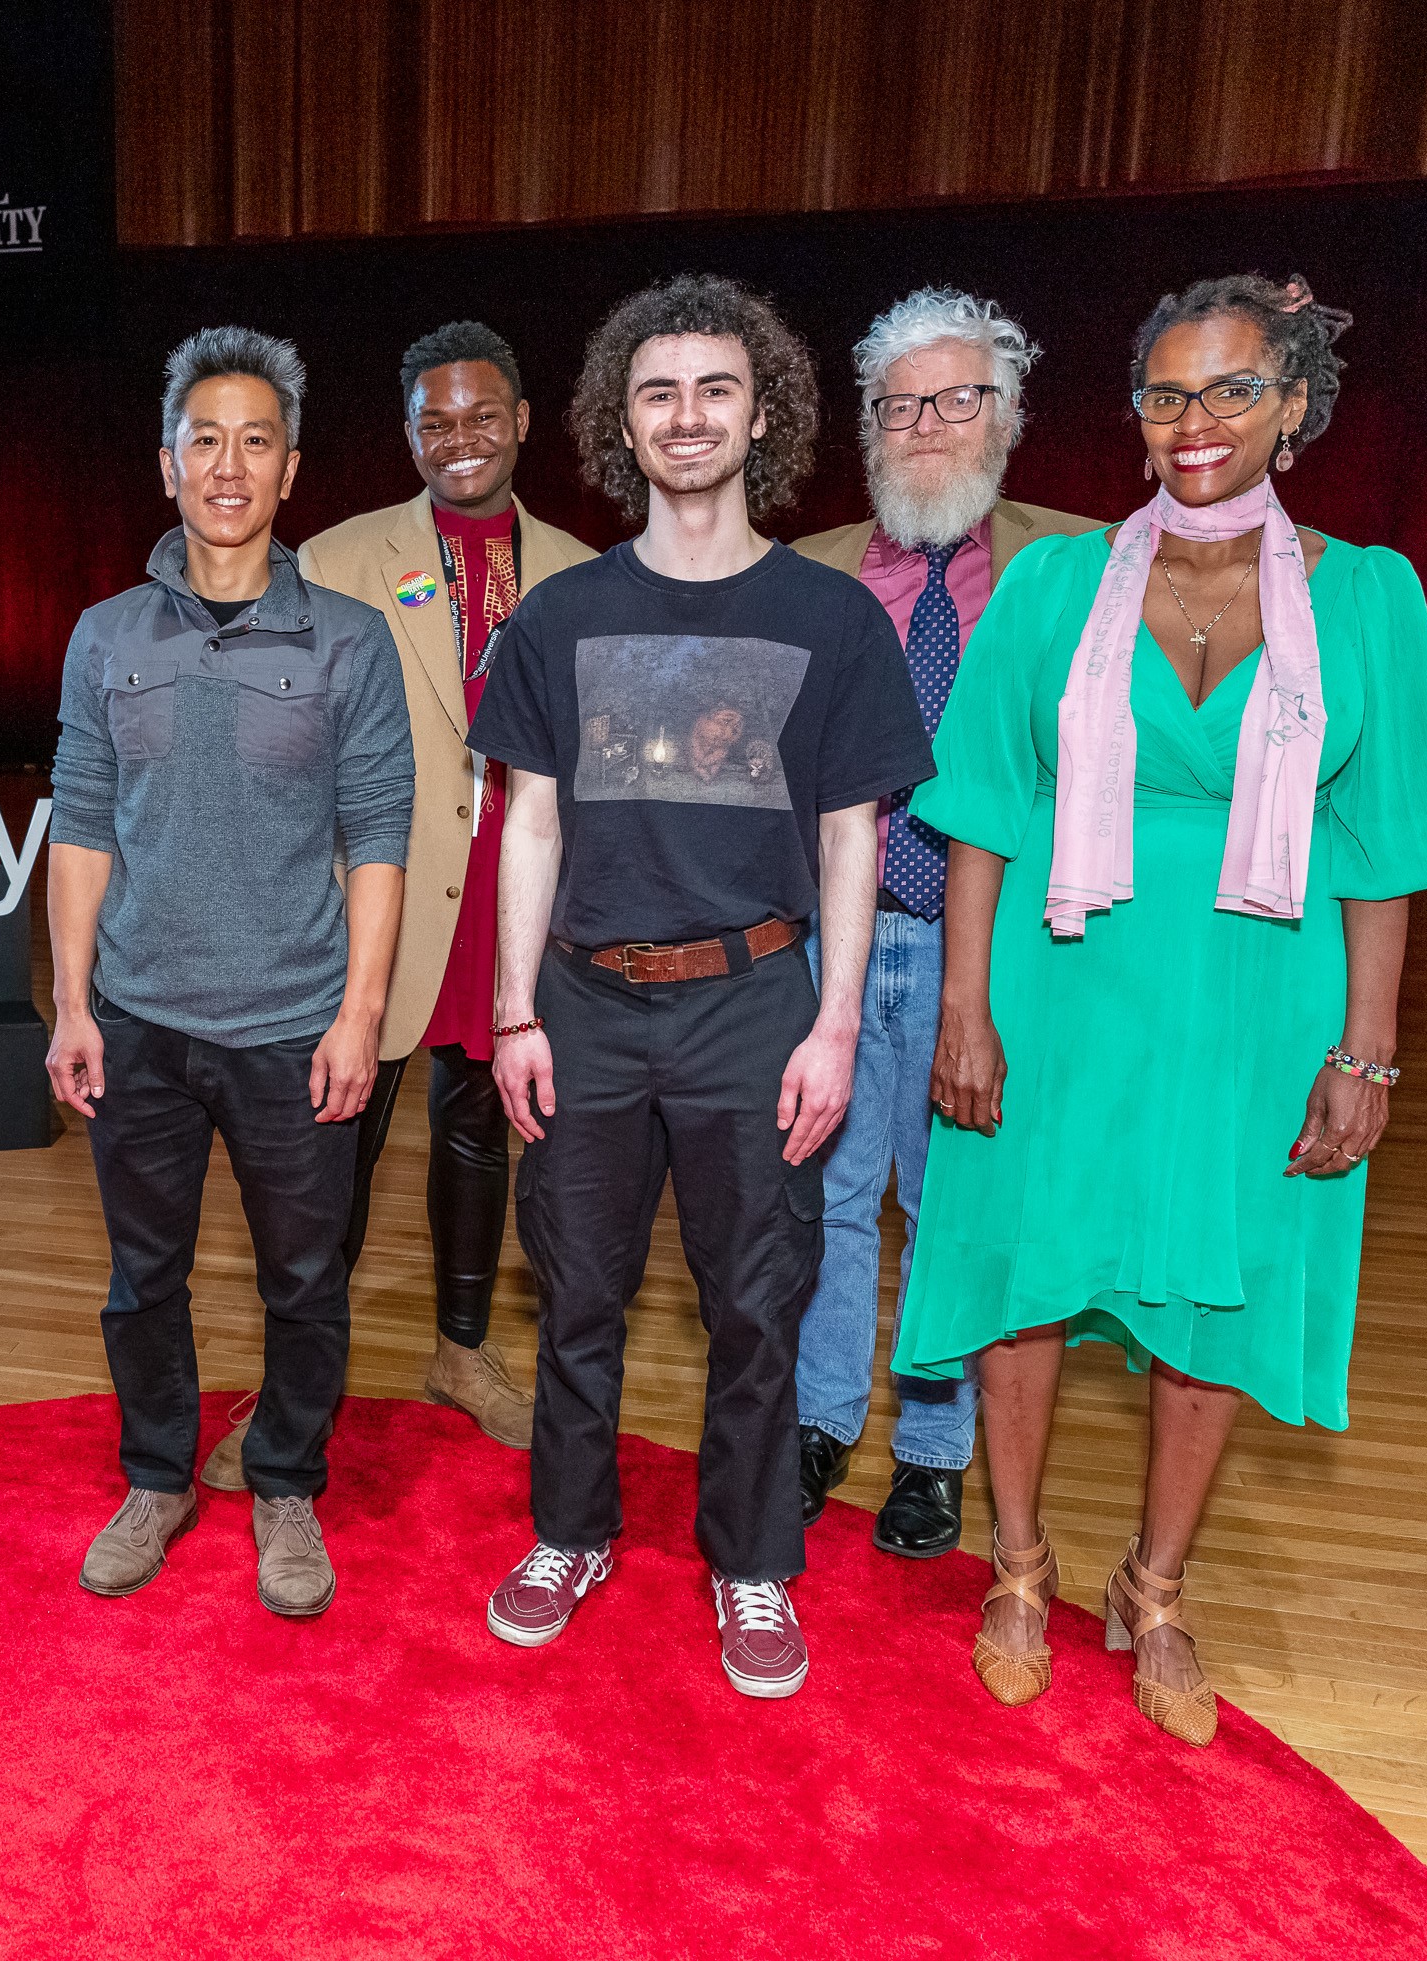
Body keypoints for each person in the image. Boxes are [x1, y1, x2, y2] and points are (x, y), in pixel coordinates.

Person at [892, 275, 1427, 1746]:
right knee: (1024, 1269)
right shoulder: (1058, 589)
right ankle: (1017, 1560)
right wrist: (964, 1006)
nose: (1194, 422)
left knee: (1210, 1281)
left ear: (1295, 412)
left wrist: (1367, 1048)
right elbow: (983, 814)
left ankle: (1156, 1584)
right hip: (1060, 978)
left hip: (1255, 999)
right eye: (1166, 394)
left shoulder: (1369, 600)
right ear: (1135, 417)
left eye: (1231, 391)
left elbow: (1383, 846)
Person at [466, 274, 934, 1696]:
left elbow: (852, 838)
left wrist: (837, 1023)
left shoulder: (832, 619)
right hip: (588, 1004)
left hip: (757, 1002)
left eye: (715, 389)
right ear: (624, 419)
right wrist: (514, 1013)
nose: (687, 415)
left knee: (757, 1299)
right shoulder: (557, 617)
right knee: (579, 1294)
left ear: (762, 414)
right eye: (659, 390)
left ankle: (749, 1564)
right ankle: (571, 1532)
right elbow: (528, 825)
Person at [46, 326, 414, 1619]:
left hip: (291, 1026)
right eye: (205, 438)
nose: (228, 463)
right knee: (142, 1277)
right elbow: (81, 822)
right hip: (139, 1023)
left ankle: (287, 1483)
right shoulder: (103, 637)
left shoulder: (353, 643)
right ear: (167, 465)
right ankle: (158, 1476)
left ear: (290, 469)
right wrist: (74, 1005)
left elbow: (379, 833)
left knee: (304, 1280)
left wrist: (361, 1015)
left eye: (255, 440)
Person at [196, 322, 597, 1491]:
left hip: (516, 898)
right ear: (408, 432)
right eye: (435, 420)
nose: (458, 438)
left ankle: (461, 1355)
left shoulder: (580, 570)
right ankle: (288, 1389)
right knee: (331, 1154)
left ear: (522, 422)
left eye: (482, 415)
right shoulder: (335, 556)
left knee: (481, 1131)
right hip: (366, 896)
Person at [788, 290, 1102, 1559]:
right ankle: (816, 1423)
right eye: (901, 404)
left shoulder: (1081, 568)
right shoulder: (803, 569)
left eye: (957, 399)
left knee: (954, 1203)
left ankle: (932, 1448)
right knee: (824, 1194)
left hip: (997, 953)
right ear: (869, 427)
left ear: (1007, 418)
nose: (927, 426)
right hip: (832, 941)